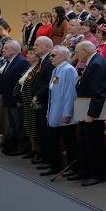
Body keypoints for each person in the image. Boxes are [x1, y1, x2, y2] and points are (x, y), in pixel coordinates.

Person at [72, 41, 106, 186]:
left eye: (77, 52)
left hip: (93, 111)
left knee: (93, 144)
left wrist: (92, 114)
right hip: (86, 107)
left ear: (85, 51)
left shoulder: (96, 64)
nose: (76, 55)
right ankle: (85, 171)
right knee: (83, 142)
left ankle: (98, 174)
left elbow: (98, 93)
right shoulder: (94, 61)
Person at [44, 46, 79, 177]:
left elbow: (71, 93)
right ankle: (55, 165)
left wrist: (67, 113)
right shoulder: (56, 69)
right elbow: (52, 92)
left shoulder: (69, 70)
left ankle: (73, 168)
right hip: (55, 111)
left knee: (69, 142)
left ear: (63, 57)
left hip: (64, 113)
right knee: (53, 140)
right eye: (50, 55)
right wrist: (49, 111)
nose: (50, 58)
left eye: (53, 55)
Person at [0, 41, 30, 156]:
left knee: (20, 125)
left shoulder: (21, 62)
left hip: (16, 100)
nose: (3, 50)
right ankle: (15, 145)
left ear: (15, 50)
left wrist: (20, 98)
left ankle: (23, 146)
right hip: (9, 99)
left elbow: (23, 82)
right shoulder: (9, 61)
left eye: (6, 48)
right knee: (13, 126)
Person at [29, 36, 56, 166]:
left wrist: (38, 95)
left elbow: (50, 82)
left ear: (46, 46)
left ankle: (48, 158)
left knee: (45, 131)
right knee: (40, 130)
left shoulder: (50, 62)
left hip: (45, 101)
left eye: (37, 45)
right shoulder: (42, 60)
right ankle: (43, 155)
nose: (34, 47)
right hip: (39, 102)